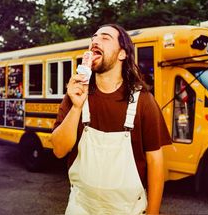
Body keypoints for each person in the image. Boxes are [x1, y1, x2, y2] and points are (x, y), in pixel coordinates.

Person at [51, 24, 172, 215]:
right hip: (81, 206)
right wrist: (76, 107)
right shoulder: (75, 94)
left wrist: (153, 212)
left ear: (122, 54)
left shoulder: (143, 101)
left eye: (105, 37)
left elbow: (156, 162)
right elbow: (58, 150)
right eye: (94, 38)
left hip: (128, 209)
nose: (95, 41)